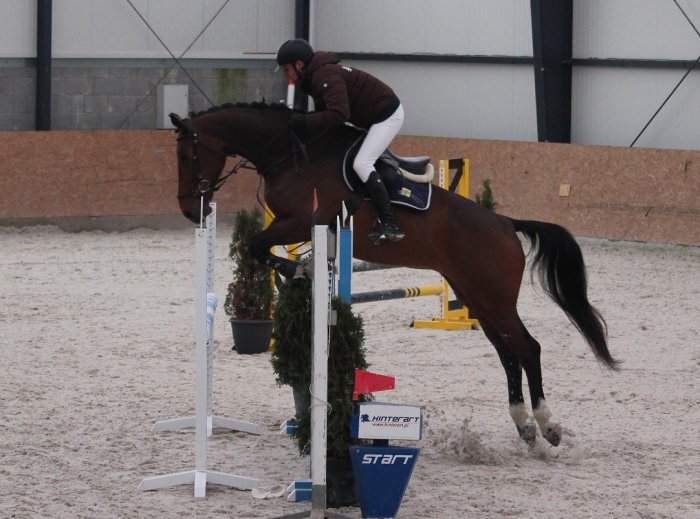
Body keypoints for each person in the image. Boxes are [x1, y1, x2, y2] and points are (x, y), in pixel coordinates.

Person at [276, 38, 405, 244]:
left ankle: (390, 223)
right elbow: (325, 117)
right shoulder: (314, 77)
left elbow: (339, 113)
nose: (285, 74)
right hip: (368, 116)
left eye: (286, 69)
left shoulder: (324, 75)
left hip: (387, 116)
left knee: (362, 163)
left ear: (299, 64)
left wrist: (304, 121)